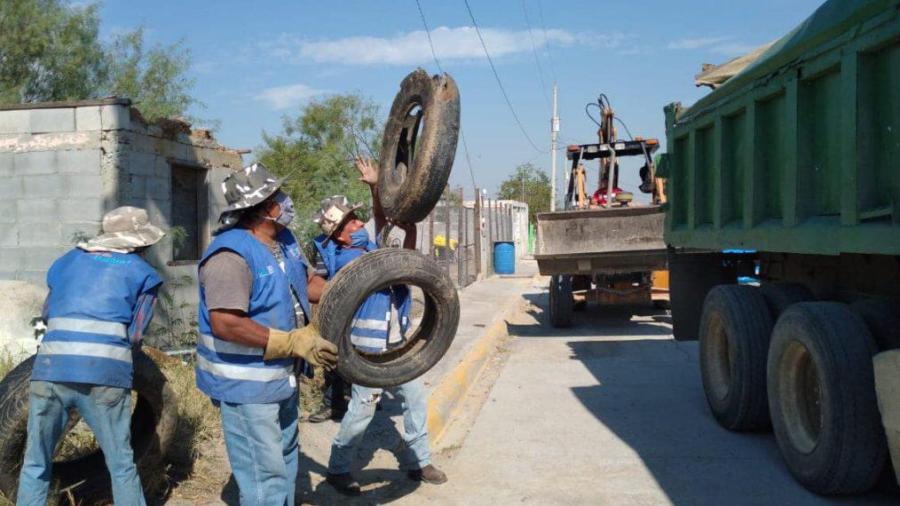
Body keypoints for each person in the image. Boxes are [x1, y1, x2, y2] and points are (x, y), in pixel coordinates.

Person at [194, 162, 337, 506]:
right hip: (246, 385)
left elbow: (310, 283)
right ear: (261, 209)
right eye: (278, 196)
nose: (286, 201)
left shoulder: (284, 241)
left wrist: (351, 290)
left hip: (282, 377)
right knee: (264, 475)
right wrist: (291, 342)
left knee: (286, 457)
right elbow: (225, 323)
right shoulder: (229, 255)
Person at [314, 157, 447, 496]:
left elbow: (379, 221)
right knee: (362, 409)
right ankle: (338, 468)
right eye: (351, 222)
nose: (359, 224)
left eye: (358, 219)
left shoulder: (367, 247)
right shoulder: (346, 260)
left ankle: (420, 461)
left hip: (397, 345)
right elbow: (381, 244)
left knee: (415, 399)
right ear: (339, 234)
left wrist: (376, 187)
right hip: (367, 352)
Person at [17, 206, 166, 506]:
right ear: (140, 244)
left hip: (50, 370)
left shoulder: (65, 262)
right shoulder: (144, 274)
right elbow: (135, 335)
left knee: (36, 462)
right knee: (121, 465)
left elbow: (47, 312)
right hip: (104, 375)